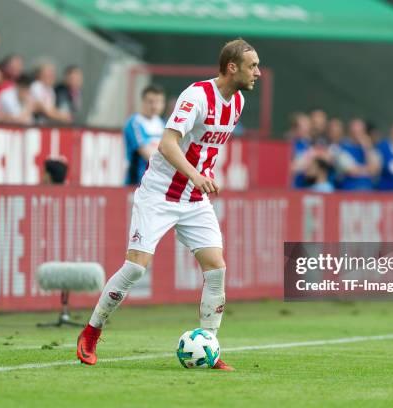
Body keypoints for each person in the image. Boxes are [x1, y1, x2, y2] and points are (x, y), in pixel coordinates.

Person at [77, 38, 261, 371]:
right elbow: (166, 144)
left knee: (216, 270)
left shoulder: (237, 105)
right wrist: (196, 174)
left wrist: (198, 178)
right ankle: (92, 331)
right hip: (160, 194)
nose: (258, 73)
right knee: (134, 268)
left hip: (194, 198)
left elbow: (203, 148)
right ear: (232, 67)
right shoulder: (196, 96)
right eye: (253, 66)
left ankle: (210, 347)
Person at [124, 84, 166, 185]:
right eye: (150, 102)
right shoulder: (135, 123)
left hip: (158, 184)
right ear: (143, 102)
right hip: (138, 183)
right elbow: (148, 154)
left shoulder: (163, 123)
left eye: (158, 102)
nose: (154, 106)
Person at [335, 118, 380, 190]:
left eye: (360, 131)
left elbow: (375, 170)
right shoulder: (342, 149)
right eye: (355, 131)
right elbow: (352, 171)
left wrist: (367, 148)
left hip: (368, 192)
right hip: (348, 192)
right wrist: (368, 170)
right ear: (350, 132)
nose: (357, 134)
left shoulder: (370, 148)